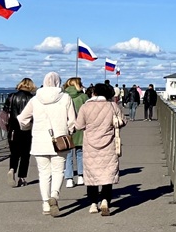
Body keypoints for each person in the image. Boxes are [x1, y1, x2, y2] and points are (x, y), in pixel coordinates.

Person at [15, 72, 77, 216]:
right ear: (58, 82)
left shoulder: (36, 99)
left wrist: (28, 127)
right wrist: (69, 130)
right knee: (58, 171)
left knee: (43, 174)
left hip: (39, 140)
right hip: (60, 140)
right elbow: (72, 121)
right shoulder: (66, 98)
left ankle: (45, 204)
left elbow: (22, 118)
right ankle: (54, 196)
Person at [74, 81, 124, 216]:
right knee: (107, 175)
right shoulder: (112, 106)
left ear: (94, 92)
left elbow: (78, 126)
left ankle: (92, 204)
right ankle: (105, 200)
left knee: (92, 176)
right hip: (109, 145)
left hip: (90, 146)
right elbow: (122, 121)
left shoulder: (85, 107)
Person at [2, 78, 36, 187]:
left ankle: (12, 169)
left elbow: (5, 112)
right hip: (27, 129)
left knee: (14, 153)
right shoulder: (32, 99)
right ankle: (22, 178)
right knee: (25, 154)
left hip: (13, 128)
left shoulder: (11, 97)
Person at [63, 77, 87, 188]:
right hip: (80, 128)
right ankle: (81, 176)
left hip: (66, 128)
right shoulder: (83, 97)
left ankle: (69, 178)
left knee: (68, 154)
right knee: (80, 153)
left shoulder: (63, 97)